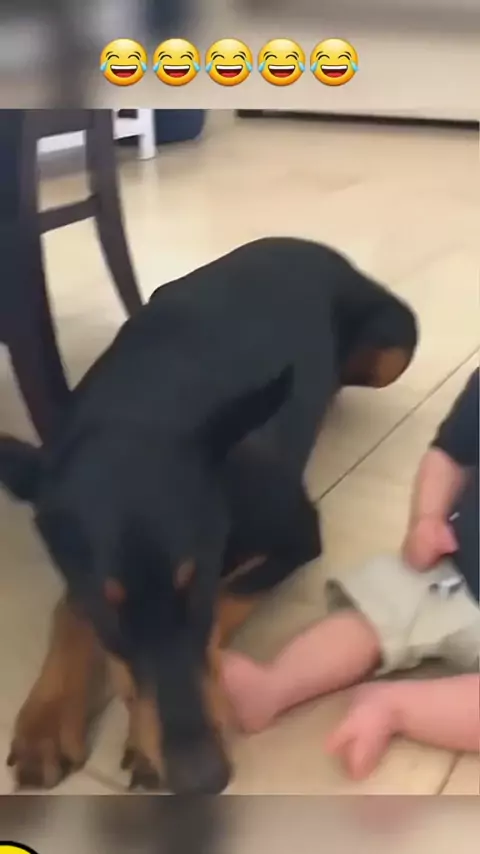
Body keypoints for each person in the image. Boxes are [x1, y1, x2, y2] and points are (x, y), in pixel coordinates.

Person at [221, 369, 479, 780]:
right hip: (455, 566)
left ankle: (395, 707)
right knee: (374, 612)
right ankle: (272, 686)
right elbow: (449, 456)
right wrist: (427, 518)